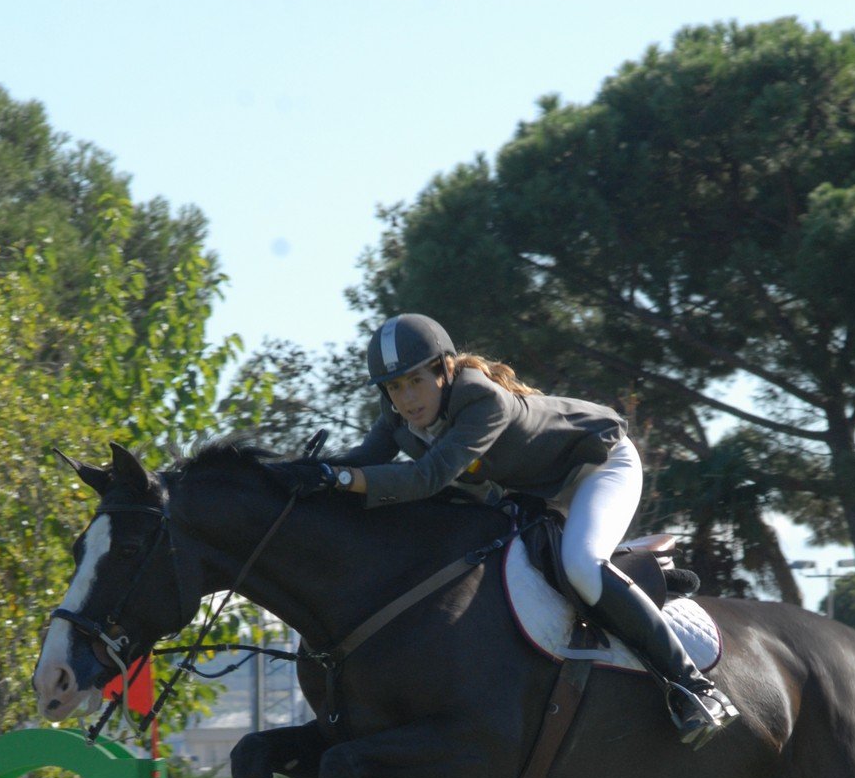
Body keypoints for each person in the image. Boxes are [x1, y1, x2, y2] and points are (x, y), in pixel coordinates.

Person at [315, 313, 738, 748]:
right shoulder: (399, 416)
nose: (406, 399)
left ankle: (696, 690)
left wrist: (342, 481)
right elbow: (364, 459)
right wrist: (302, 474)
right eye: (394, 387)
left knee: (582, 565)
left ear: (444, 369)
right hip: (540, 491)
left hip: (599, 465)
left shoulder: (481, 400)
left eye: (415, 381)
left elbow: (427, 477)